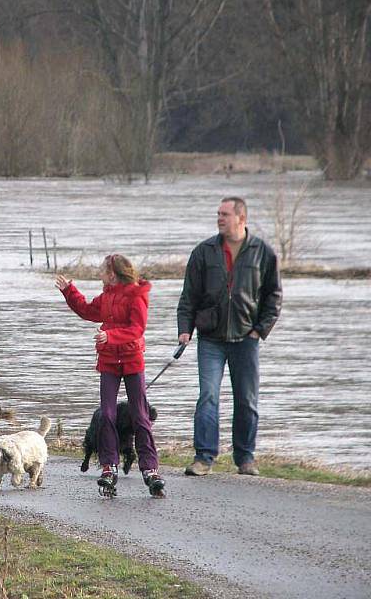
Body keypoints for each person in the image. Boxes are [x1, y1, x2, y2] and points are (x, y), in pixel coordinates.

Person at [177, 197, 282, 476]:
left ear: (241, 218)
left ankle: (245, 458)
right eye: (218, 213)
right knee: (208, 396)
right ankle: (204, 458)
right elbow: (189, 296)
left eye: (225, 214)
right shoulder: (204, 251)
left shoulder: (263, 252)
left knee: (247, 400)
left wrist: (261, 329)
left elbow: (274, 295)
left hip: (247, 338)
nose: (219, 218)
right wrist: (184, 328)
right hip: (210, 337)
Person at [56, 254, 165, 498]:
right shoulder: (107, 296)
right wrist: (69, 291)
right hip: (108, 361)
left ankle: (150, 468)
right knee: (106, 413)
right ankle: (109, 465)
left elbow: (137, 328)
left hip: (132, 359)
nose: (99, 273)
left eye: (102, 270)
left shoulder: (137, 295)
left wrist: (111, 336)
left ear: (112, 273)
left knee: (140, 415)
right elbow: (86, 310)